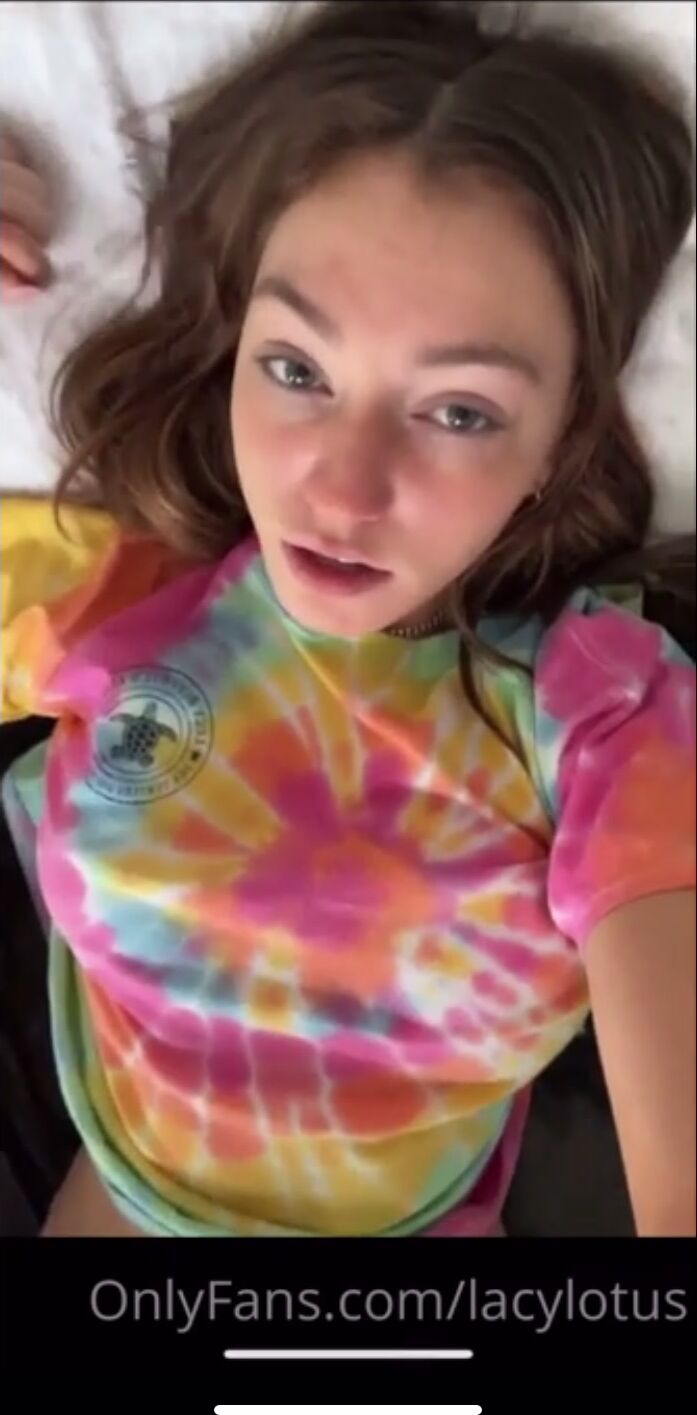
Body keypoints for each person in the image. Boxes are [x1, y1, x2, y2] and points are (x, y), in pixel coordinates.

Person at [0, 0, 694, 1238]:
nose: (343, 489)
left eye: (459, 411)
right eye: (298, 369)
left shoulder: (602, 710)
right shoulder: (115, 594)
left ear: (559, 439)